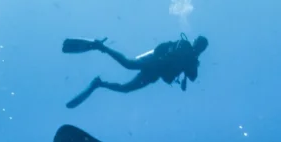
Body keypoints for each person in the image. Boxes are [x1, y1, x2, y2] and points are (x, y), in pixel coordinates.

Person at [62, 33, 208, 109]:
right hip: (154, 60)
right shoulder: (184, 45)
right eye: (199, 44)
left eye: (201, 47)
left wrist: (192, 63)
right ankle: (101, 46)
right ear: (195, 42)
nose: (198, 47)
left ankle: (99, 84)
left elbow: (192, 77)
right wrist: (189, 60)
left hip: (154, 74)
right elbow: (170, 54)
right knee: (129, 64)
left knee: (126, 89)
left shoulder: (193, 61)